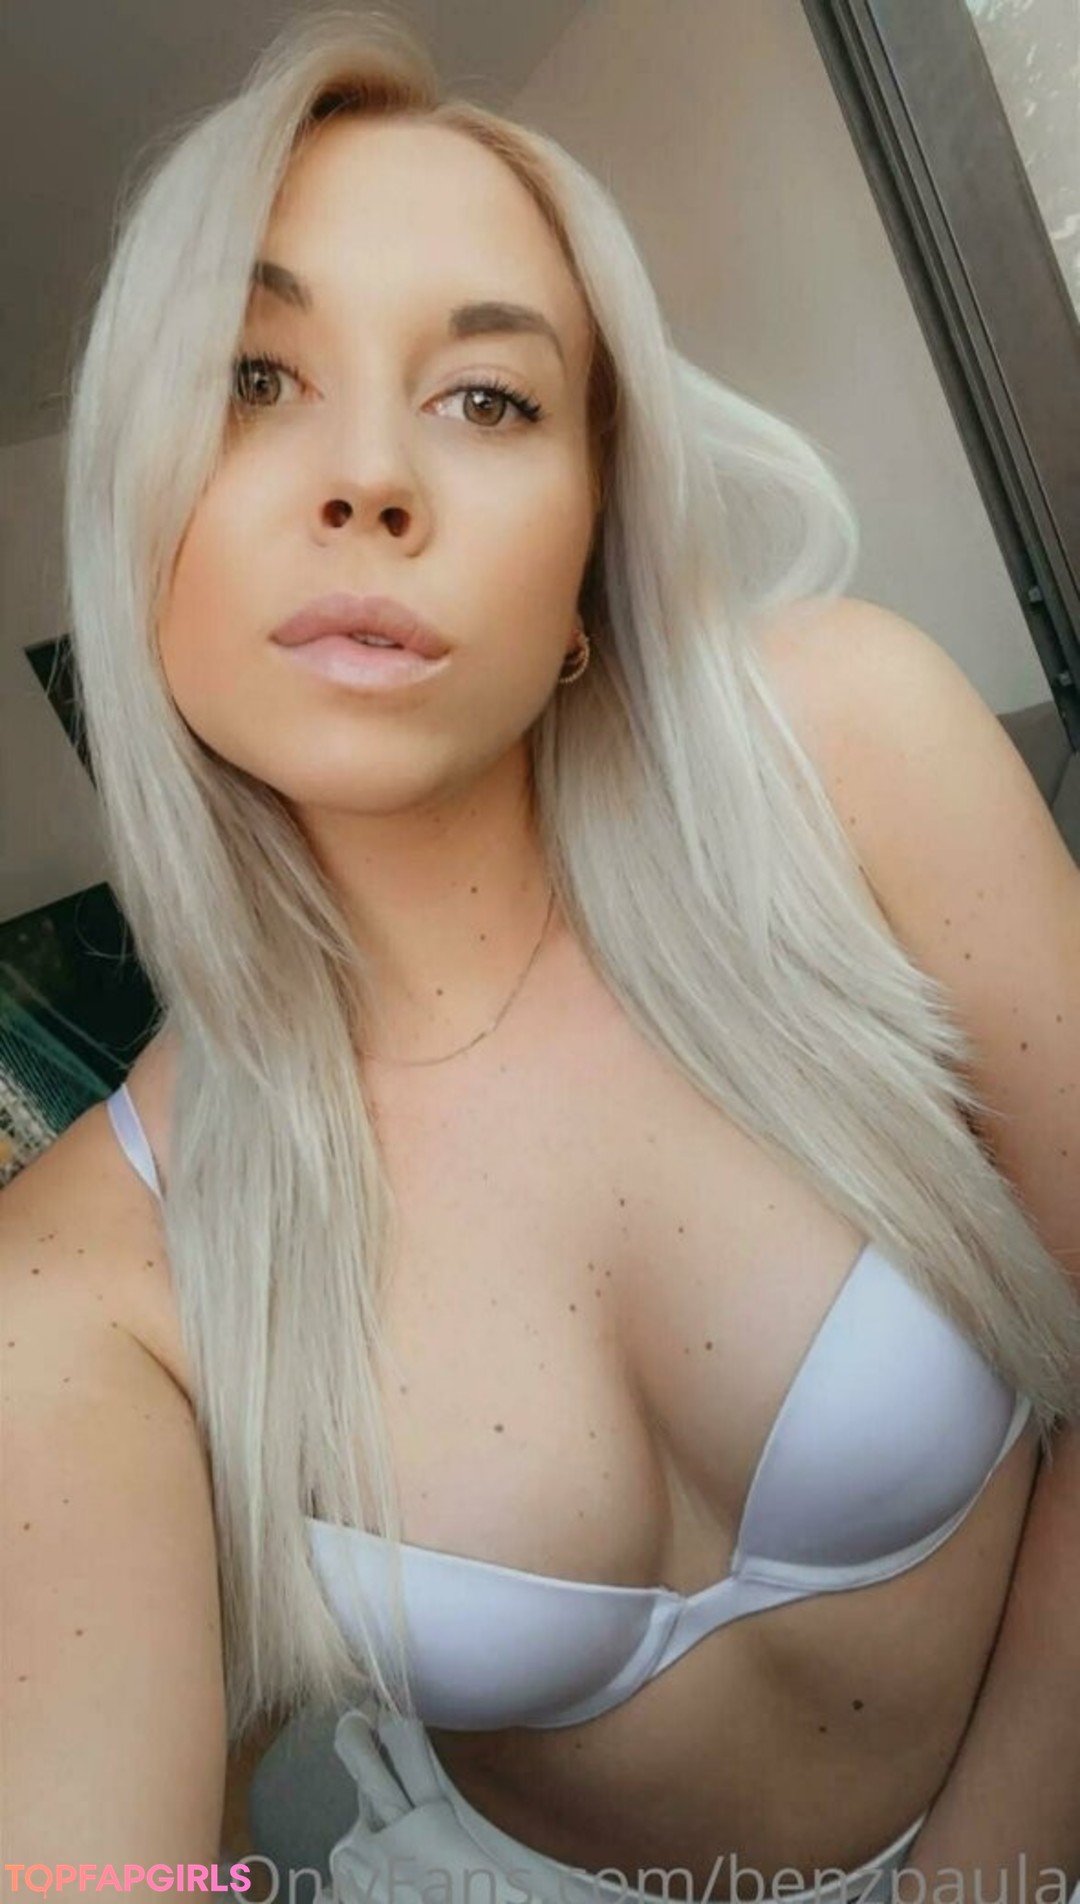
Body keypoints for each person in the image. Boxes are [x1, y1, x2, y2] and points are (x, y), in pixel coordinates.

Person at [3, 9, 1078, 1902]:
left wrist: (989, 1868)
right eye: (253, 377)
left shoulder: (850, 750)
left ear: (588, 537)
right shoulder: (89, 1268)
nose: (368, 479)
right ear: (137, 525)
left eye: (487, 399)